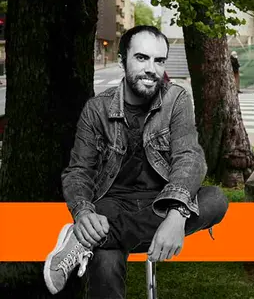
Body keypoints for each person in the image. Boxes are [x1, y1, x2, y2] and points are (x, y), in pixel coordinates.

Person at [44, 25, 229, 298]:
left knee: (215, 200)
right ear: (122, 61)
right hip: (113, 204)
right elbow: (79, 171)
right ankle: (94, 235)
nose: (152, 69)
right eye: (142, 58)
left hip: (162, 203)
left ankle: (82, 242)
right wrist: (83, 213)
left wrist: (177, 214)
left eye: (159, 60)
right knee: (105, 255)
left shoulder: (176, 99)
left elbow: (189, 157)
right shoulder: (97, 109)